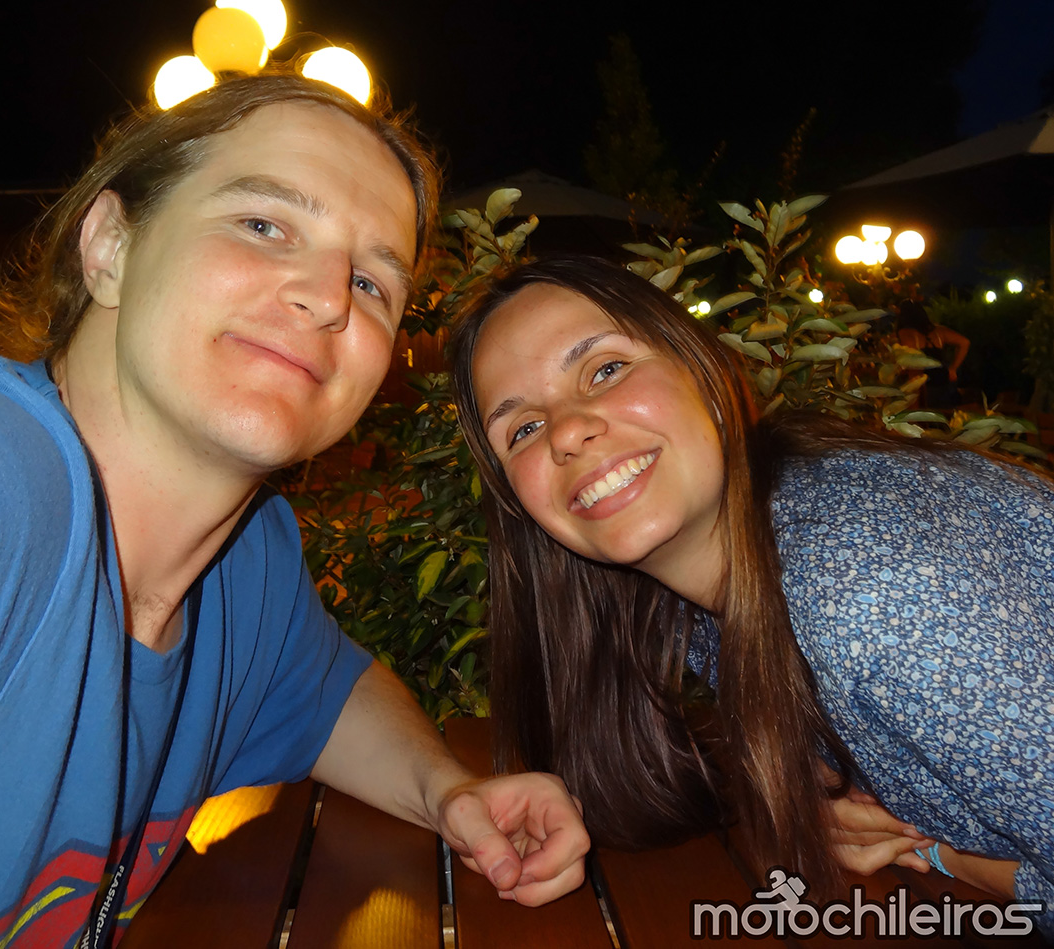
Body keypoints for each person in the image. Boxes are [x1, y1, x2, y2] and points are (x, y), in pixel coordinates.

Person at [0, 76, 588, 947]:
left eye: (370, 282)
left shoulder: (248, 562)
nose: (328, 296)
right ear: (110, 246)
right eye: (263, 224)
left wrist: (447, 788)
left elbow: (329, 691)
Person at [449, 255, 1053, 936]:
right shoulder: (705, 595)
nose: (565, 431)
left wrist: (950, 858)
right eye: (523, 429)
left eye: (605, 369)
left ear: (703, 371)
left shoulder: (866, 588)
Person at [895, 298, 970, 409]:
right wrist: (953, 368)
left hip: (921, 386)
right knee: (944, 414)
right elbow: (965, 342)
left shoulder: (905, 333)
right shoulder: (939, 331)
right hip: (942, 380)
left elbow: (906, 361)